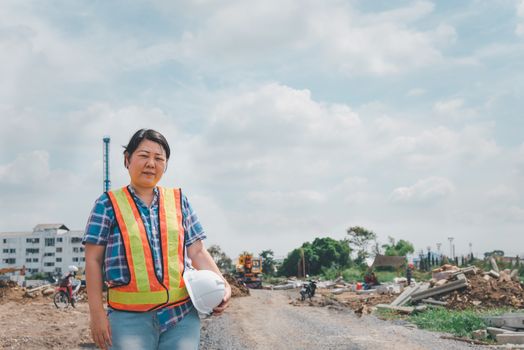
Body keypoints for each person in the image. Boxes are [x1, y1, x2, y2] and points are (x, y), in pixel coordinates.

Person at [83, 129, 231, 350]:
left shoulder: (179, 201)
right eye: (143, 155)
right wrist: (96, 314)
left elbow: (197, 251)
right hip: (128, 320)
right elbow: (93, 260)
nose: (151, 163)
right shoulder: (107, 204)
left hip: (180, 317)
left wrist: (224, 285)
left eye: (159, 158)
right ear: (127, 159)